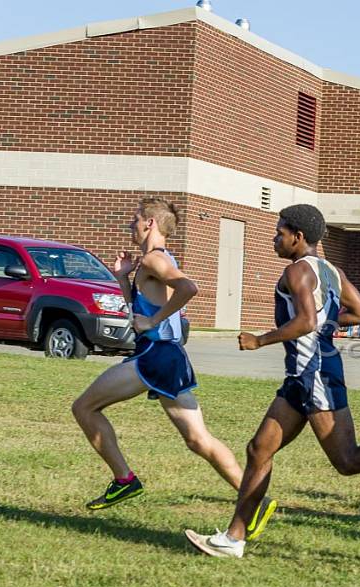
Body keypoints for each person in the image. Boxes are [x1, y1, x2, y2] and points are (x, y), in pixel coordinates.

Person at [184, 205, 360, 558]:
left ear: (298, 236)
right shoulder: (331, 270)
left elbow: (306, 321)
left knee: (347, 461)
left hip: (315, 374)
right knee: (259, 449)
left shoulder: (297, 271)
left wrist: (260, 340)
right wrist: (327, 321)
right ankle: (234, 538)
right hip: (302, 375)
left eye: (279, 232)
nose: (275, 238)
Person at [72, 199, 275, 538]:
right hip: (165, 357)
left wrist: (153, 320)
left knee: (84, 407)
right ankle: (256, 498)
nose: (130, 225)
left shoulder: (155, 259)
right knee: (198, 440)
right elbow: (138, 308)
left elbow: (188, 288)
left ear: (150, 223)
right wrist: (123, 279)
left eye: (135, 219)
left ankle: (124, 479)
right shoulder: (153, 261)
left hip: (156, 357)